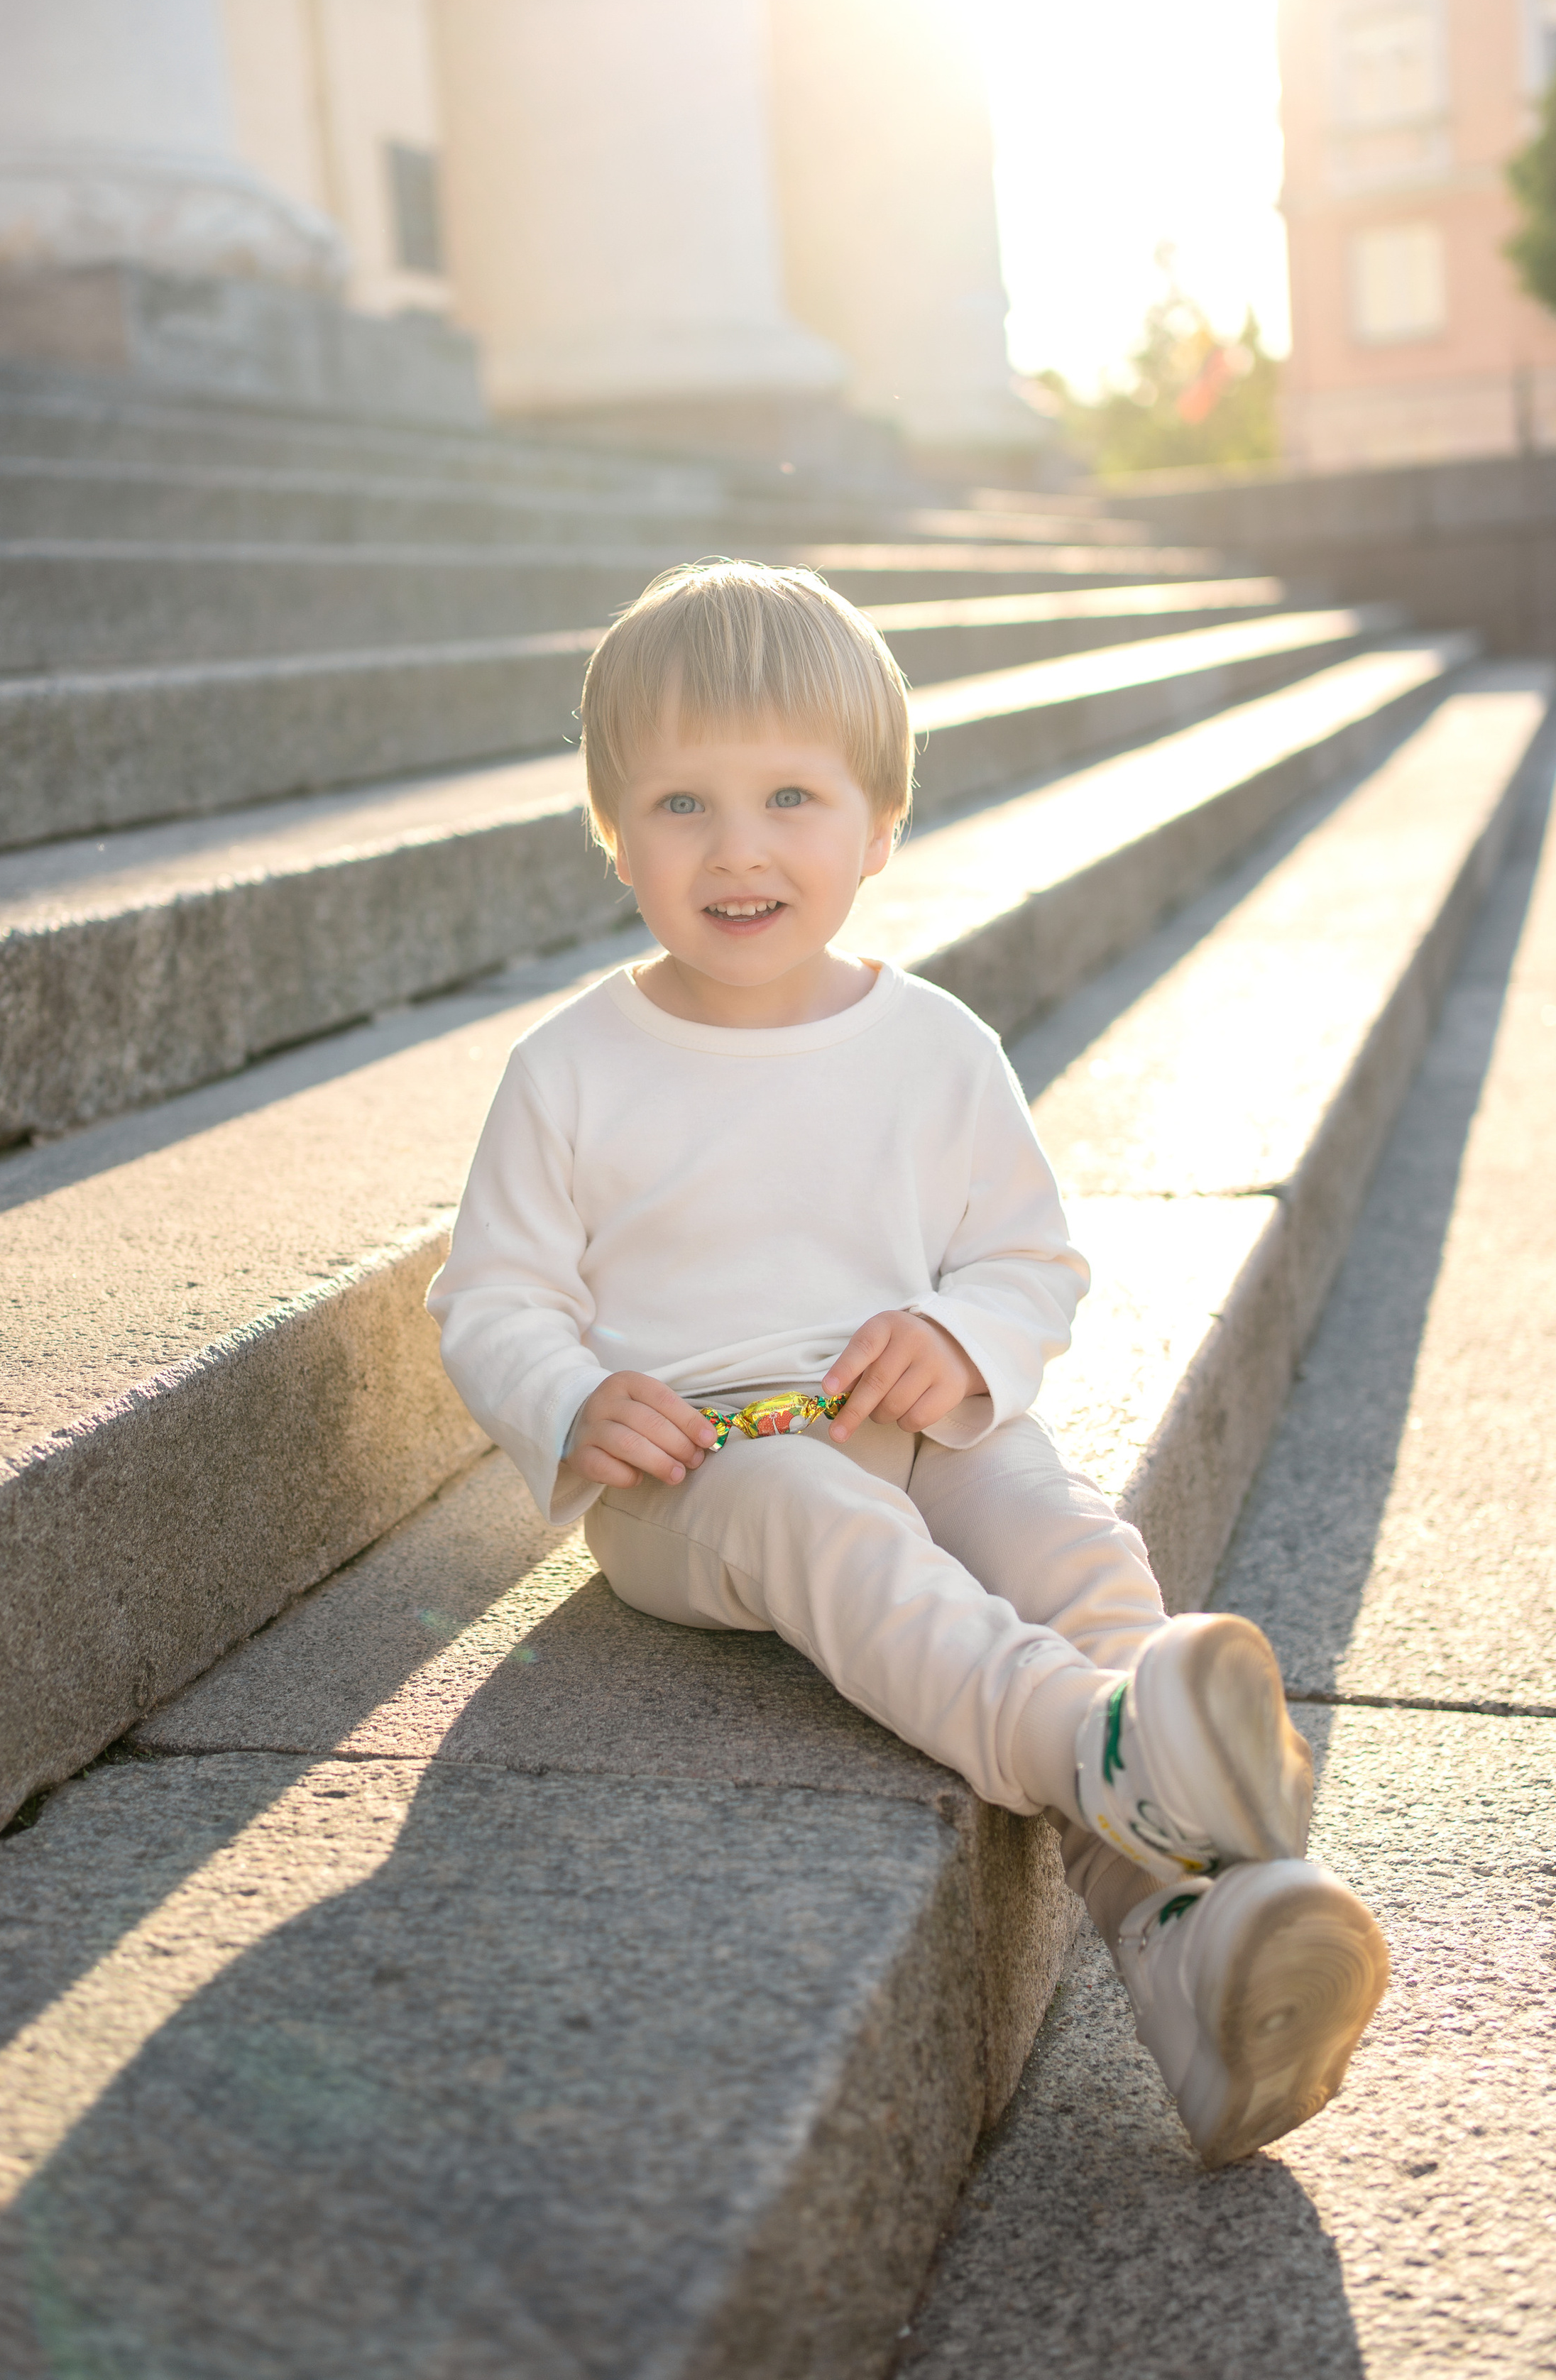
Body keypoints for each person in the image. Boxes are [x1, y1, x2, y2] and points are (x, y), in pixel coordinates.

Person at [427, 556, 1388, 2166]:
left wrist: (956, 1340)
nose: (735, 847)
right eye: (678, 803)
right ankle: (1090, 1748)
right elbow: (492, 1298)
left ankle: (1192, 1940)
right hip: (703, 1479)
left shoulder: (933, 1048)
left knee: (1052, 1519)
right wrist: (578, 1400)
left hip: (915, 1414)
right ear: (609, 831)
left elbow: (1028, 1260)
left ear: (878, 829)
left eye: (789, 796)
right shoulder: (573, 1067)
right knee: (820, 1512)